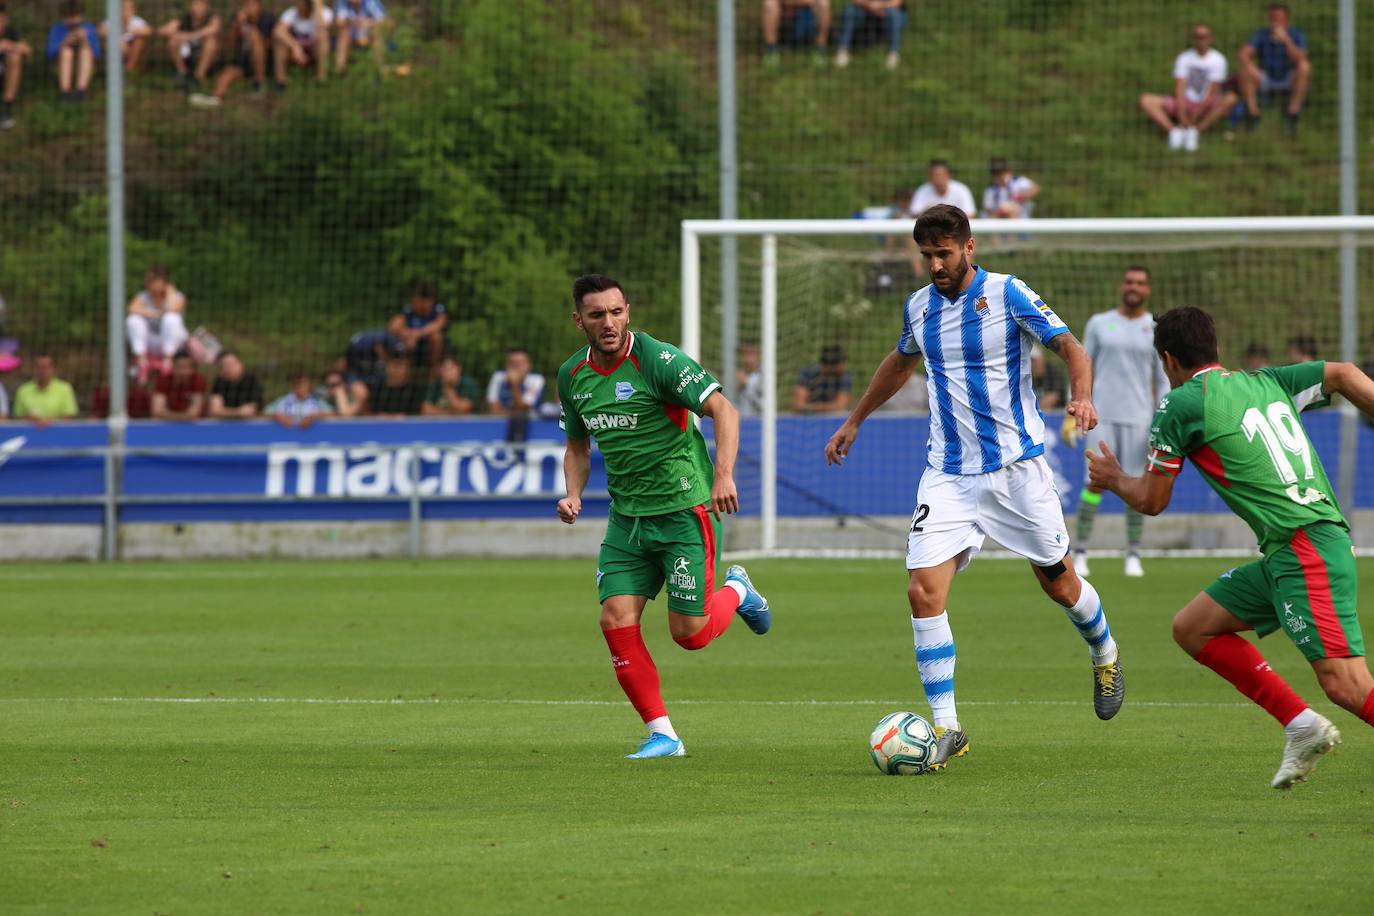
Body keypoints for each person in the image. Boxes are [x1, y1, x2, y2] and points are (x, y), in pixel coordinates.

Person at [825, 205, 1125, 770]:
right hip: (948, 475)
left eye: (944, 252)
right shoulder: (918, 307)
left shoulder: (1007, 293)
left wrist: (1081, 394)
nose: (935, 264)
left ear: (969, 247)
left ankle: (1104, 651)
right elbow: (899, 362)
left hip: (1016, 471)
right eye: (927, 255)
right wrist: (855, 419)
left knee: (1060, 585)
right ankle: (948, 728)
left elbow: (1070, 348)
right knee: (922, 591)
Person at [1087, 306, 1374, 790]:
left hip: (1305, 549)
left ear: (1168, 359)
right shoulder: (1267, 382)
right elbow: (1343, 374)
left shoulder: (1182, 404)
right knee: (1194, 628)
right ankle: (1301, 725)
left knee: (1345, 685)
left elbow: (1152, 502)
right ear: (1216, 348)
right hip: (1293, 551)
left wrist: (1114, 479)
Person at [556, 274, 772, 759]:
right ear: (579, 320)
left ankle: (736, 590)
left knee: (689, 636)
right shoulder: (572, 376)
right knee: (614, 618)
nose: (608, 323)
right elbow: (577, 445)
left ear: (627, 311)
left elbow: (725, 410)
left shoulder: (657, 360)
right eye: (596, 315)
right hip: (627, 520)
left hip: (684, 513)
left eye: (616, 312)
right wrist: (572, 492)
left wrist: (724, 474)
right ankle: (663, 734)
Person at [1062, 267, 1168, 579]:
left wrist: (1160, 414)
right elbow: (1081, 363)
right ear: (1122, 285)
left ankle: (1133, 553)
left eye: (1140, 283)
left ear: (1147, 290)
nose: (1133, 287)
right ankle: (1080, 551)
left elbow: (1162, 378)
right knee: (1094, 483)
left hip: (1140, 419)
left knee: (1136, 484)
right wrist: (1074, 410)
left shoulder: (1154, 328)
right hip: (1101, 416)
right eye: (1129, 281)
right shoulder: (1100, 323)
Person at [1139, 23, 1237, 152]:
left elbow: (1211, 93)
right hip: (1185, 102)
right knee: (1145, 100)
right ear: (1193, 39)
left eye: (1204, 36)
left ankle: (1195, 131)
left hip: (1206, 103)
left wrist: (1193, 119)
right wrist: (1182, 115)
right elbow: (1179, 88)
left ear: (1210, 39)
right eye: (1198, 37)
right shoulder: (1184, 57)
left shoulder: (1218, 60)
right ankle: (1174, 131)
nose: (1201, 40)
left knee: (1231, 98)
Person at [1238, 3, 1309, 136]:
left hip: (1288, 76)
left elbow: (1300, 57)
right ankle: (1253, 115)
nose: (1275, 22)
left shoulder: (1296, 34)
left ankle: (1292, 114)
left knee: (1304, 67)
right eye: (1272, 18)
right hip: (1266, 76)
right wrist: (1247, 57)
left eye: (1278, 19)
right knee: (1245, 68)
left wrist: (1286, 40)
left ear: (1286, 19)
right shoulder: (1262, 34)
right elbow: (1244, 53)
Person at [190, 0, 273, 107]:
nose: (249, 8)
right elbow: (230, 43)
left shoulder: (267, 18)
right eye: (246, 5)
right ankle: (216, 98)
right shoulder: (236, 18)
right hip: (243, 62)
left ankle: (260, 83)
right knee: (226, 74)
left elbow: (268, 45)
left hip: (262, 61)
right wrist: (237, 24)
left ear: (259, 6)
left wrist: (253, 30)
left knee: (255, 38)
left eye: (252, 5)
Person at [906, 161, 976, 277]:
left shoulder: (961, 190)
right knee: (911, 239)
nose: (938, 179)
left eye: (940, 175)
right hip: (930, 232)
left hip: (955, 232)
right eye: (934, 176)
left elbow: (970, 214)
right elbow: (914, 214)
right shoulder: (923, 191)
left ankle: (966, 273)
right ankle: (918, 275)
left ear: (948, 175)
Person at [125, 264, 189, 383]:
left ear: (164, 282)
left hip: (174, 343)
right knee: (133, 320)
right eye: (148, 280)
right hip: (152, 342)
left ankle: (168, 362)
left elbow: (172, 308)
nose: (148, 283)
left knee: (171, 318)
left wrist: (170, 292)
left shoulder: (178, 296)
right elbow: (132, 308)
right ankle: (142, 362)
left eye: (153, 280)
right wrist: (156, 314)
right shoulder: (143, 296)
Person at [46, 0, 101, 102]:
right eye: (70, 16)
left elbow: (97, 54)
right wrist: (65, 42)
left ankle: (81, 91)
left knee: (85, 51)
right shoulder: (57, 29)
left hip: (86, 60)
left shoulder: (89, 28)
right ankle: (64, 92)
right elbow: (50, 54)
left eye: (76, 15)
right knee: (67, 52)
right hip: (60, 62)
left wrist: (85, 41)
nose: (73, 20)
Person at [387, 280, 450, 370]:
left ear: (429, 301)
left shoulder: (438, 310)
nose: (415, 303)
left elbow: (438, 325)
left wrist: (416, 334)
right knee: (406, 341)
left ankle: (432, 370)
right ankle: (406, 371)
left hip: (431, 347)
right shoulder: (409, 310)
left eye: (419, 300)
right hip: (412, 345)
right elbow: (393, 327)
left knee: (436, 337)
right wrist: (406, 333)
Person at [158, 0, 220, 91]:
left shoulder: (211, 18)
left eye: (202, 5)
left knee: (211, 42)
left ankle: (199, 77)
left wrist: (189, 36)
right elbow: (163, 30)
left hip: (205, 55)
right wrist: (176, 34)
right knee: (172, 41)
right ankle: (183, 73)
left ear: (207, 6)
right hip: (186, 53)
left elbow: (214, 29)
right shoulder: (184, 18)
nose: (198, 8)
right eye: (195, 4)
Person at [273, 0, 331, 88]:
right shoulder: (292, 13)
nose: (297, 4)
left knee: (322, 37)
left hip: (314, 51)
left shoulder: (324, 13)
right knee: (280, 44)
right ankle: (281, 83)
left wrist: (317, 6)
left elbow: (322, 29)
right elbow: (278, 31)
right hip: (296, 52)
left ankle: (321, 79)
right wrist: (295, 46)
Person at [834, 0, 905, 71]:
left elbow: (896, 3)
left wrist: (880, 6)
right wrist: (870, 6)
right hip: (866, 9)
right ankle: (843, 50)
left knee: (894, 14)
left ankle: (893, 53)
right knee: (850, 10)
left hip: (887, 11)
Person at [12, 355, 78, 426]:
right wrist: (32, 420)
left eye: (45, 367)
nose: (42, 371)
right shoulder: (23, 390)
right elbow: (18, 417)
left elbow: (69, 416)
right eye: (39, 367)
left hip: (59, 434)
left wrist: (49, 422)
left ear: (53, 369)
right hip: (29, 434)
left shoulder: (65, 388)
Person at [761, 0, 830, 66]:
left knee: (824, 3)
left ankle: (819, 50)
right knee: (769, 3)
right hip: (785, 10)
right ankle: (771, 50)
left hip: (808, 11)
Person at [0, 3, 34, 130]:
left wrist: (9, 45)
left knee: (15, 57)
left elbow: (28, 50)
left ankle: (6, 106)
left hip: (6, 72)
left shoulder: (11, 32)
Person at [791, 344, 852, 413]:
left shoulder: (844, 376)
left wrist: (811, 407)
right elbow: (798, 405)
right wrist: (828, 407)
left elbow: (840, 406)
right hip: (808, 417)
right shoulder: (808, 373)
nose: (844, 367)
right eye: (842, 363)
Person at [486, 348, 545, 417]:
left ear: (529, 365)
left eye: (520, 363)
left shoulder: (536, 379)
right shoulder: (498, 376)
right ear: (506, 365)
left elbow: (523, 409)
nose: (516, 367)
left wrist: (514, 385)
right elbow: (493, 409)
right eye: (512, 363)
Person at [332, 0, 387, 74]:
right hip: (351, 36)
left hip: (369, 34)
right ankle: (340, 71)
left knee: (377, 33)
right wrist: (354, 23)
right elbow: (339, 22)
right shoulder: (343, 2)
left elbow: (383, 21)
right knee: (344, 33)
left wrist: (368, 23)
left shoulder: (371, 2)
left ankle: (378, 69)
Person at [207, 350, 264, 419]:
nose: (226, 369)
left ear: (241, 364)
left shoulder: (252, 381)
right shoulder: (219, 382)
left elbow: (250, 411)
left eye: (229, 365)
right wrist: (238, 412)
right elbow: (214, 410)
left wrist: (224, 411)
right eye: (222, 366)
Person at [99, 0, 151, 74]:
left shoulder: (137, 21)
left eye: (128, 8)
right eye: (124, 8)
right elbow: (101, 31)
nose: (126, 11)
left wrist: (132, 31)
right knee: (113, 43)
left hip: (132, 48)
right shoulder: (112, 20)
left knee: (139, 40)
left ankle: (129, 70)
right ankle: (119, 73)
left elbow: (148, 31)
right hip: (115, 46)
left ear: (133, 10)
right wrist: (117, 40)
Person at [267, 370, 333, 428]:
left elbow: (333, 414)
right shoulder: (282, 401)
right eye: (298, 383)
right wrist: (277, 416)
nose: (301, 386)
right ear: (293, 385)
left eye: (304, 383)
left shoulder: (316, 401)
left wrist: (314, 416)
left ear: (309, 385)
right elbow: (265, 413)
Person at [151, 351, 206, 420]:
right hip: (167, 425)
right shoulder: (163, 380)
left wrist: (168, 415)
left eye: (187, 367)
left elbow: (194, 412)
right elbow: (157, 411)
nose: (184, 371)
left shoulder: (198, 380)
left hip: (191, 426)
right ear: (173, 367)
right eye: (180, 367)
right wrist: (182, 417)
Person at [367, 352, 424, 417]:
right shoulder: (377, 389)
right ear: (387, 367)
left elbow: (415, 414)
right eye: (396, 365)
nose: (399, 369)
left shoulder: (414, 390)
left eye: (403, 365)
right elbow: (371, 413)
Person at [736, 342, 763, 416]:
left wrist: (747, 384)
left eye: (751, 353)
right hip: (741, 420)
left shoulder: (764, 376)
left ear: (758, 355)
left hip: (758, 420)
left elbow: (764, 405)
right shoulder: (737, 375)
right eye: (745, 353)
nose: (747, 357)